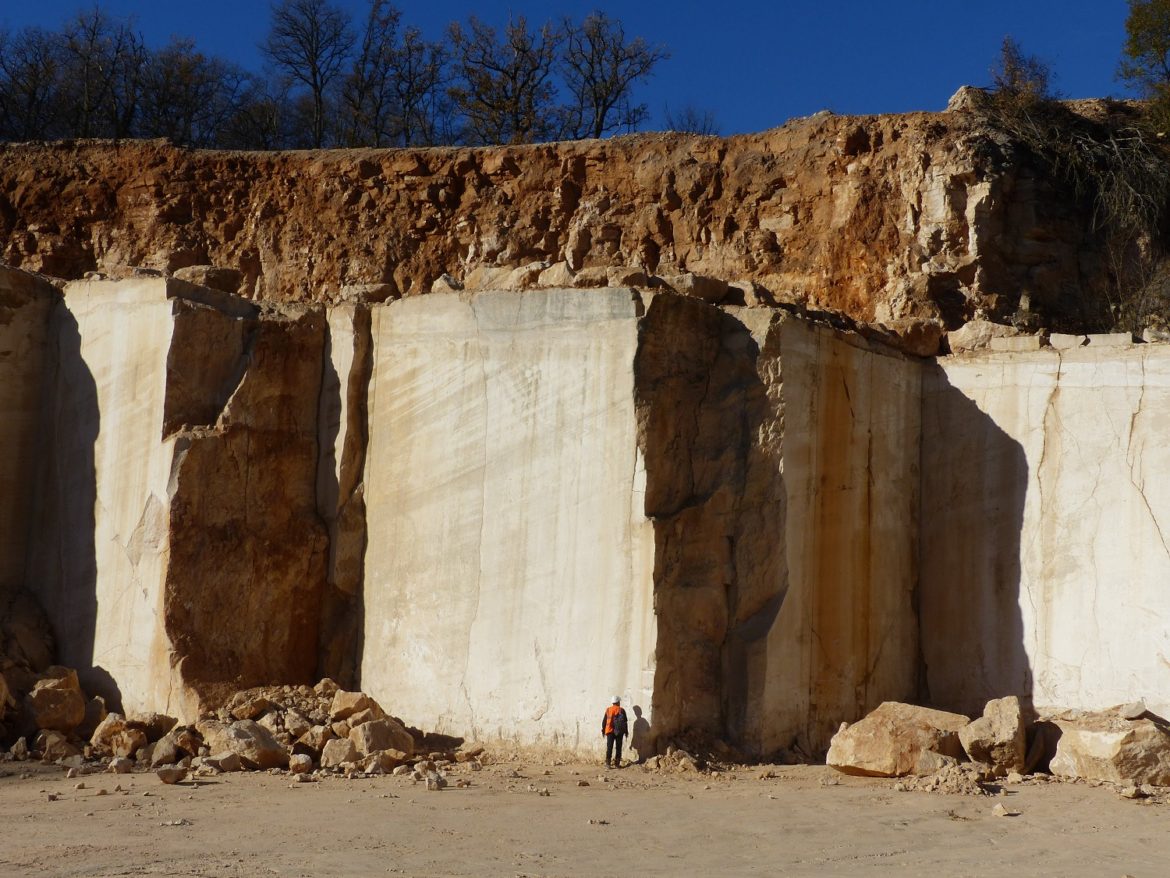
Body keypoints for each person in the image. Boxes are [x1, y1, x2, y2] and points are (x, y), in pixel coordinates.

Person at [602, 696, 628, 768]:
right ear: (618, 702)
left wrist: (603, 730)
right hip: (619, 732)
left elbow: (604, 721)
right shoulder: (622, 710)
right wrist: (626, 732)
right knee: (618, 748)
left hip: (609, 731)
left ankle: (608, 764)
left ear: (613, 702)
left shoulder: (608, 710)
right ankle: (617, 764)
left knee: (609, 747)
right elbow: (625, 722)